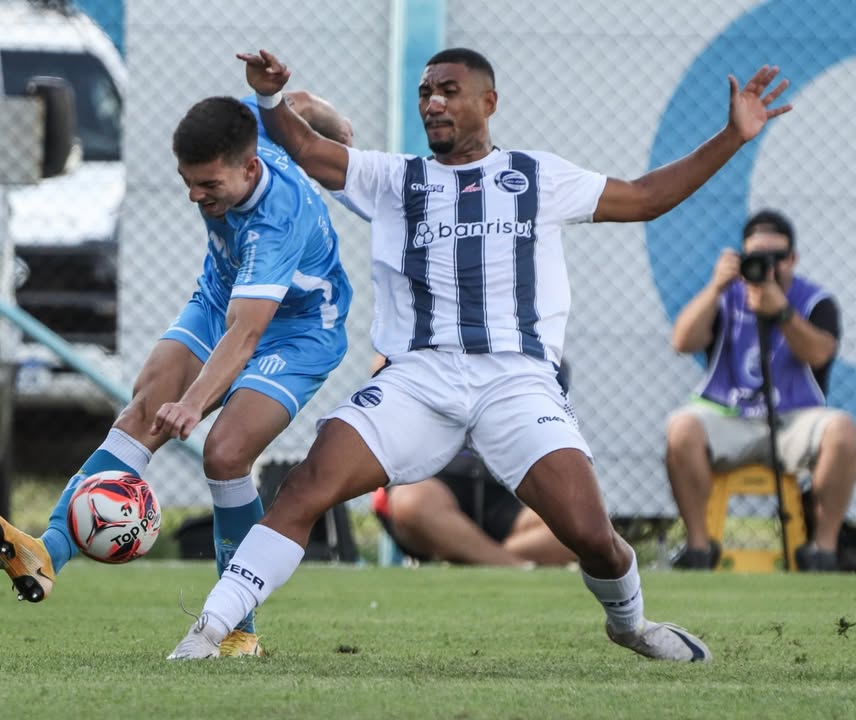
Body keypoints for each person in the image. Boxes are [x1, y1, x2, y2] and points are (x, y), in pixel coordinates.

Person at [166, 47, 791, 662]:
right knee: (305, 488)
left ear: (488, 102)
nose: (433, 102)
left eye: (449, 91)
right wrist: (271, 97)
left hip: (516, 381)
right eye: (425, 92)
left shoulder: (537, 176)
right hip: (418, 379)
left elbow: (647, 196)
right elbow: (304, 149)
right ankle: (211, 629)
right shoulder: (393, 179)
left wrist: (733, 136)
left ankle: (630, 625)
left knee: (590, 535)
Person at [0, 91, 355, 657]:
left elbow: (246, 334)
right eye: (187, 181)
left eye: (209, 186)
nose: (195, 197)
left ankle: (237, 629)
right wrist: (319, 119)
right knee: (142, 411)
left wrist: (195, 402)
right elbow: (300, 106)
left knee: (224, 452)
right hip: (221, 298)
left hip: (300, 331)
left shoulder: (277, 220)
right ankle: (47, 552)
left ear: (250, 169)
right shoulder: (246, 128)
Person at [665, 209, 856, 572]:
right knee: (681, 427)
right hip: (730, 413)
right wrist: (715, 287)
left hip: (794, 416)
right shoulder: (725, 296)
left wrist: (782, 312)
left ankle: (823, 551)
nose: (768, 266)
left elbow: (819, 353)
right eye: (757, 257)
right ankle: (698, 548)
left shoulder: (816, 301)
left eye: (778, 258)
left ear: (793, 259)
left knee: (843, 429)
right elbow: (682, 341)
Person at [373, 448, 577, 567]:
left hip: (496, 483)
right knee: (413, 503)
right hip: (430, 476)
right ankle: (512, 565)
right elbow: (380, 374)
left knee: (574, 524)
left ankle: (473, 556)